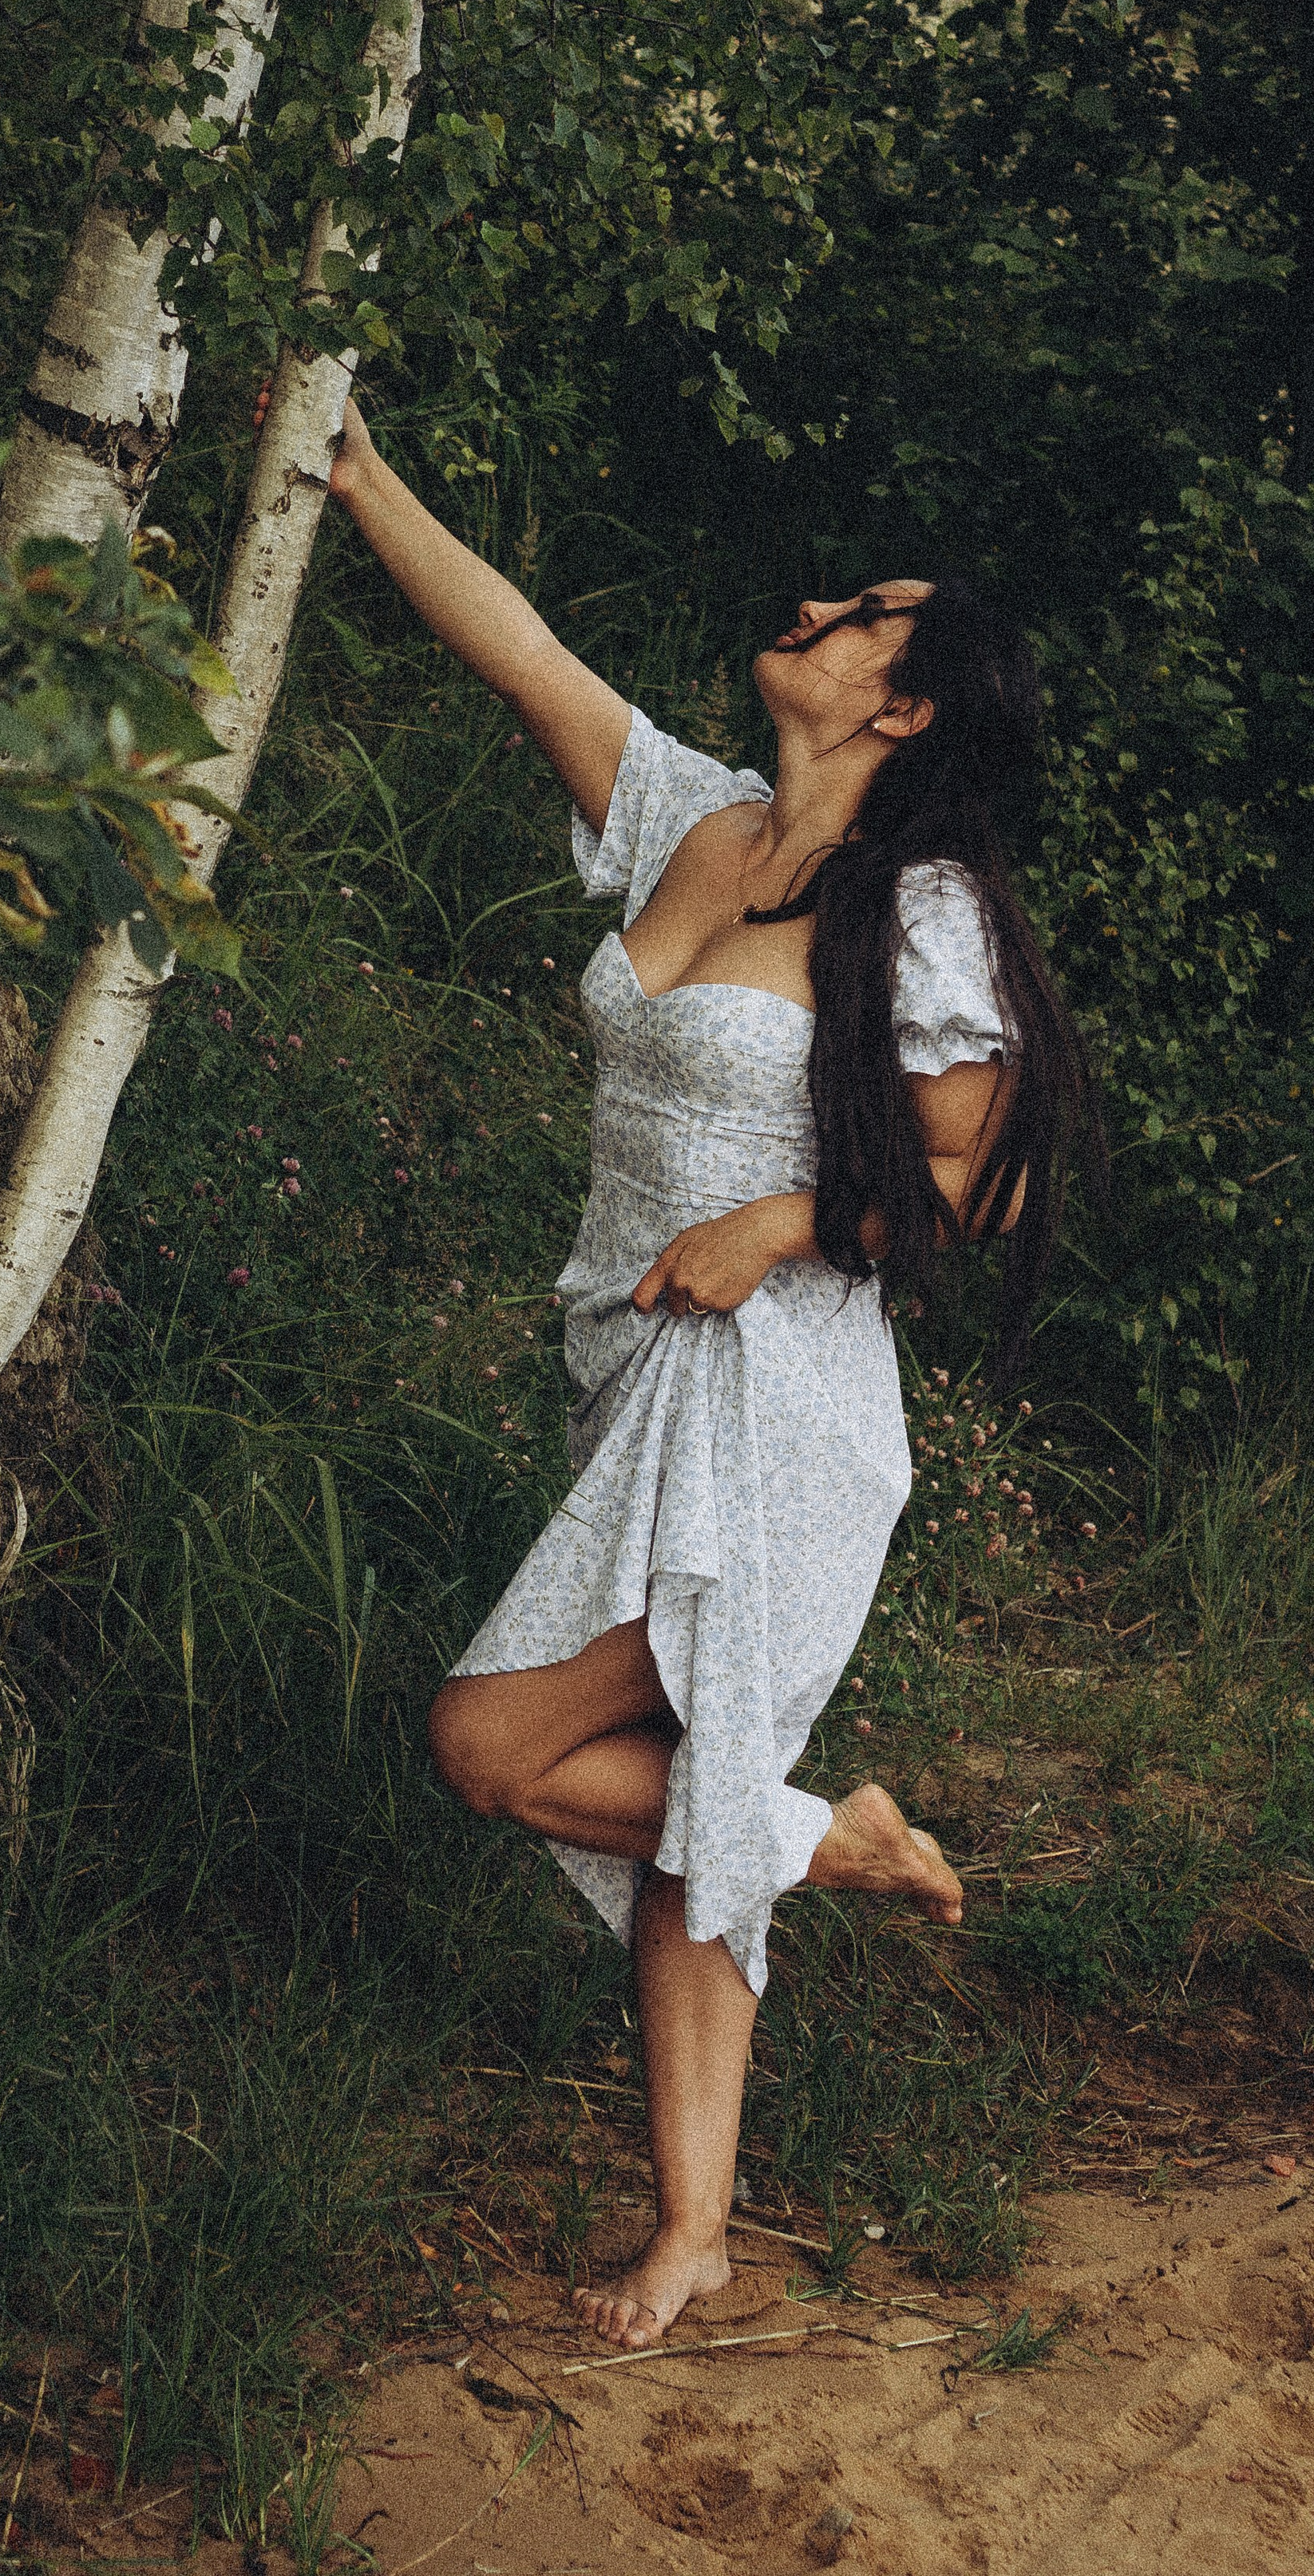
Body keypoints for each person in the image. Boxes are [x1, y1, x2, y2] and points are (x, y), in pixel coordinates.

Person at [324, 394, 1097, 2353]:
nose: (821, 609)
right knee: (689, 1809)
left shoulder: (907, 912)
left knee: (488, 1748)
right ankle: (694, 2228)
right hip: (628, 1365)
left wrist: (778, 1226)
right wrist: (345, 466)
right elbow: (514, 643)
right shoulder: (694, 821)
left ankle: (823, 1838)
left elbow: (975, 1183)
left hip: (774, 1397)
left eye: (864, 619)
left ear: (900, 710)